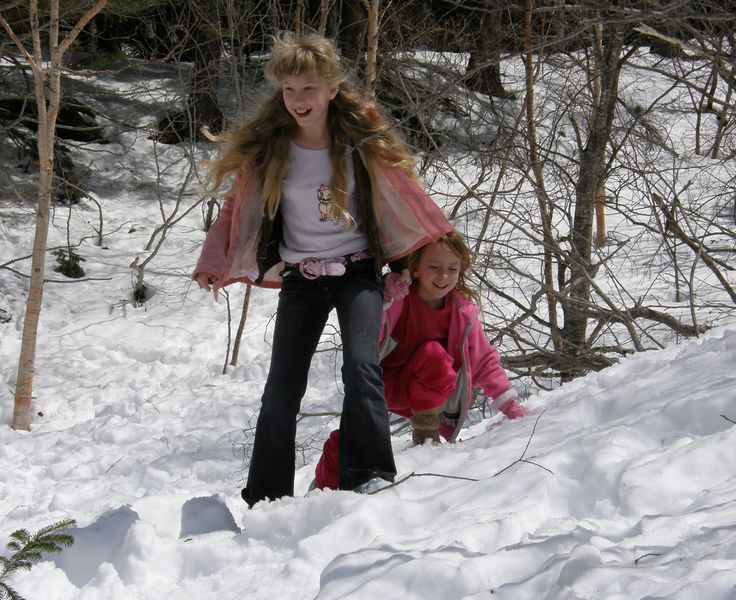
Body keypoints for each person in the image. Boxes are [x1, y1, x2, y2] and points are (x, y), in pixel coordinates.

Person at [192, 32, 453, 507]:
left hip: (358, 273)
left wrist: (432, 249)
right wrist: (213, 262)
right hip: (302, 280)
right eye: (289, 90)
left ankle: (370, 474)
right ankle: (267, 496)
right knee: (281, 389)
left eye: (308, 89)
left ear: (332, 89)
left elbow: (404, 194)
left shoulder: (359, 142)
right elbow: (236, 210)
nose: (298, 101)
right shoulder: (273, 149)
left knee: (361, 366)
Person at [314, 230, 529, 491]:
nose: (443, 276)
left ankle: (426, 434)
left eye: (452, 269)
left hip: (428, 390)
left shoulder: (461, 312)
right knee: (346, 442)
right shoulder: (397, 298)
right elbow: (369, 336)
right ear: (415, 268)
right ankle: (322, 489)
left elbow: (483, 359)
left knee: (435, 354)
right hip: (380, 386)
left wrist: (508, 403)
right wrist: (382, 302)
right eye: (434, 267)